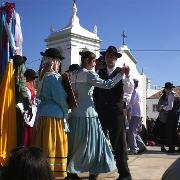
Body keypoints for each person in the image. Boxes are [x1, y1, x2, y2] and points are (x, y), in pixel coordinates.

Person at [67, 50, 125, 180]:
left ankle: (71, 171)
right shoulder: (89, 74)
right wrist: (120, 75)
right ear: (87, 61)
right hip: (89, 115)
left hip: (75, 115)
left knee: (75, 145)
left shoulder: (72, 74)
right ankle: (93, 172)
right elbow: (108, 85)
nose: (95, 64)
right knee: (94, 145)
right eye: (94, 61)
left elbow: (67, 91)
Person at [93, 45, 132, 180]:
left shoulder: (122, 72)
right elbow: (96, 93)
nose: (110, 59)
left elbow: (128, 90)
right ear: (105, 58)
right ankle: (94, 173)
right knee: (98, 143)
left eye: (112, 57)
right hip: (101, 112)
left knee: (118, 144)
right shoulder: (100, 73)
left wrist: (127, 76)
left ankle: (125, 175)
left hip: (116, 113)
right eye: (108, 56)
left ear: (116, 59)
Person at [31, 48, 69, 178]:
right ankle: (51, 172)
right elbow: (60, 98)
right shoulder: (53, 78)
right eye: (58, 61)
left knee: (42, 142)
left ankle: (40, 170)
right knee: (51, 144)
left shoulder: (42, 77)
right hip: (54, 116)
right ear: (55, 62)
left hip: (42, 114)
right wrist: (66, 109)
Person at [13, 55, 32, 146]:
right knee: (18, 130)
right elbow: (22, 87)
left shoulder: (8, 68)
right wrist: (28, 104)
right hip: (17, 104)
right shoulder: (21, 68)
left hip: (9, 102)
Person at [159, 82, 179, 153]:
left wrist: (163, 107)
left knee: (169, 131)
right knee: (174, 131)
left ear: (167, 89)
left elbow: (170, 107)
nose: (165, 90)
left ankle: (171, 149)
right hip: (176, 114)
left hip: (172, 114)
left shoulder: (170, 95)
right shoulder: (176, 94)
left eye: (165, 89)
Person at [128, 79, 146, 155]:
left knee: (131, 132)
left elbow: (131, 102)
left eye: (131, 84)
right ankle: (142, 146)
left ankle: (134, 149)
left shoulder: (135, 92)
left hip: (136, 115)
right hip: (137, 115)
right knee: (134, 132)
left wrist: (126, 106)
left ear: (134, 84)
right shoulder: (136, 92)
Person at [23, 68, 38, 146]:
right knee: (26, 136)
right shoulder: (25, 88)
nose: (33, 80)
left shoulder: (32, 89)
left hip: (32, 115)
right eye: (32, 78)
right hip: (27, 114)